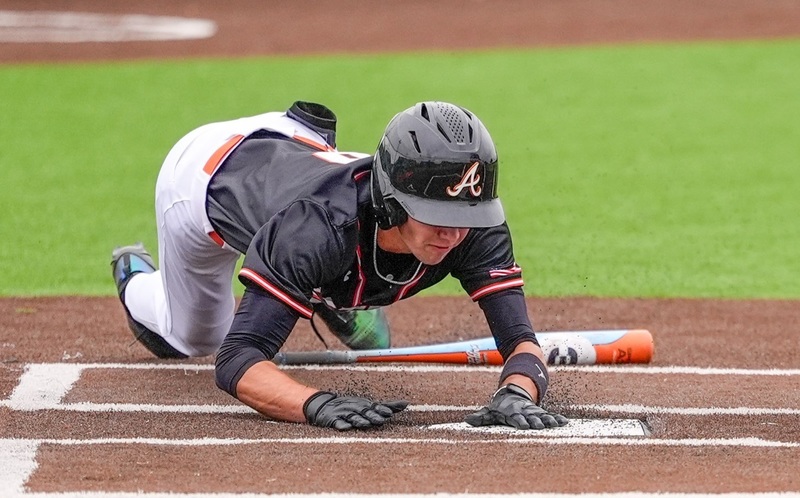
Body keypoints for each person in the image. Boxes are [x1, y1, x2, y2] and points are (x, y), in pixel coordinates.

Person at [111, 100, 569, 431]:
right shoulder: (318, 227)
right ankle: (135, 279)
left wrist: (518, 390)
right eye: (438, 215)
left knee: (329, 263)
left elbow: (521, 342)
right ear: (392, 202)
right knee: (197, 337)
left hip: (297, 153)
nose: (453, 233)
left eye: (466, 217)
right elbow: (236, 363)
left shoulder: (474, 221)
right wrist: (314, 403)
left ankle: (325, 289)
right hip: (202, 175)